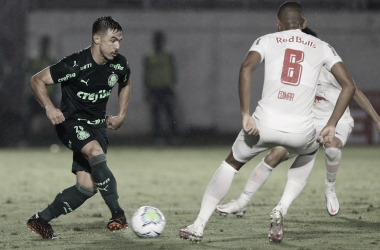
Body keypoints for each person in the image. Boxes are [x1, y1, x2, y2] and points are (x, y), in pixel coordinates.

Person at [179, 2, 356, 244]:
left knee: (231, 164)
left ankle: (199, 225)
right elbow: (349, 86)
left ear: (278, 24)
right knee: (309, 151)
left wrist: (245, 114)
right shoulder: (323, 47)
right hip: (300, 130)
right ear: (304, 24)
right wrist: (332, 124)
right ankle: (281, 207)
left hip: (263, 125)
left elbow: (246, 69)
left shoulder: (267, 39)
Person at [216, 27, 380, 219]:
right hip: (307, 124)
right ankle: (241, 202)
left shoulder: (329, 68)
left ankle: (329, 187)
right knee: (273, 157)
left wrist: (377, 119)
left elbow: (354, 91)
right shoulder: (295, 70)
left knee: (332, 148)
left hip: (337, 121)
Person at [26, 16, 132, 239]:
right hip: (71, 124)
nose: (117, 46)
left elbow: (125, 82)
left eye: (119, 41)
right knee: (95, 152)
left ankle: (40, 220)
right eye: (112, 40)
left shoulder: (119, 63)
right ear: (96, 39)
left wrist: (122, 115)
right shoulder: (75, 64)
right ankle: (118, 214)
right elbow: (37, 80)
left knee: (87, 188)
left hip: (98, 128)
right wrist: (49, 107)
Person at [143, 31, 177, 143]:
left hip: (166, 87)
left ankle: (173, 136)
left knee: (169, 113)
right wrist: (147, 89)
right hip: (154, 88)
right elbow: (145, 73)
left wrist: (173, 86)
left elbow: (173, 71)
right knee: (156, 114)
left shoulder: (168, 54)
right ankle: (158, 137)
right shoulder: (149, 55)